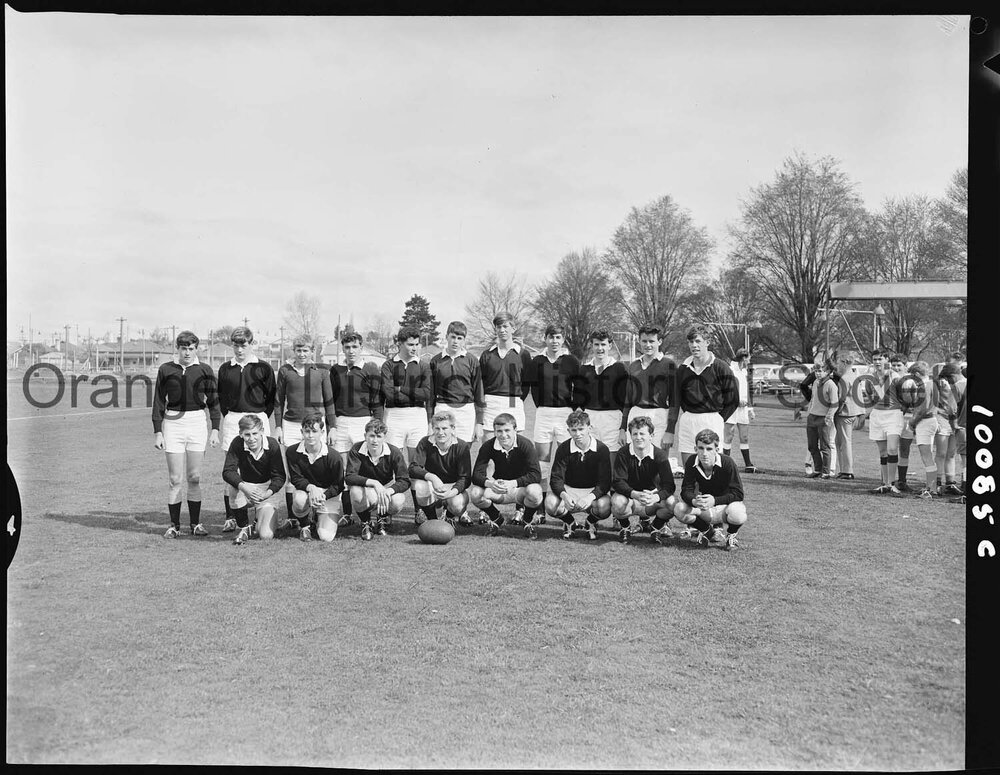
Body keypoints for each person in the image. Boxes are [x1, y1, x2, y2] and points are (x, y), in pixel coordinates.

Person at [152, 330, 221, 538]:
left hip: (197, 422)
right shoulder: (166, 369)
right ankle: (174, 526)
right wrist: (158, 431)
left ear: (196, 349)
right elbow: (158, 401)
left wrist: (215, 429)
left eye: (191, 349)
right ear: (178, 349)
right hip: (173, 423)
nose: (187, 353)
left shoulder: (205, 370)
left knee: (194, 477)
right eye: (184, 349)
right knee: (175, 479)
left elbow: (214, 402)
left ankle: (195, 524)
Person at [217, 326, 277, 532]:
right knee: (232, 469)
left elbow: (271, 398)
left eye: (243, 345)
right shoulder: (225, 369)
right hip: (233, 419)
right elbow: (221, 398)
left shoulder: (264, 368)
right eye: (236, 345)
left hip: (258, 417)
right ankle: (231, 517)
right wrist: (232, 415)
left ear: (251, 344)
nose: (239, 349)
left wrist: (258, 416)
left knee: (261, 466)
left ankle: (260, 511)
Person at [275, 336, 337, 524]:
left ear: (312, 351)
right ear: (293, 351)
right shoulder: (285, 370)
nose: (302, 354)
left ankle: (318, 513)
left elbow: (329, 402)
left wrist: (333, 427)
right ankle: (293, 517)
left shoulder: (322, 371)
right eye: (298, 350)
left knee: (318, 470)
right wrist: (278, 426)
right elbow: (279, 401)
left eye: (305, 350)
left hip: (316, 426)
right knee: (292, 473)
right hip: (292, 425)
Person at [330, 330, 382, 520]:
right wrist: (332, 426)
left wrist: (377, 426)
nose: (351, 351)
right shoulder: (335, 370)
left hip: (363, 422)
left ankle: (373, 513)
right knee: (343, 469)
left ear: (361, 347)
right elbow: (330, 401)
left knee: (366, 467)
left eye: (355, 347)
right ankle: (347, 514)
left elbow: (377, 401)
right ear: (343, 348)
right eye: (347, 347)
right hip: (341, 422)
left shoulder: (370, 370)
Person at [527, 324, 581, 505]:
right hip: (543, 413)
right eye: (551, 337)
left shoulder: (571, 361)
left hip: (565, 413)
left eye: (558, 337)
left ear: (563, 339)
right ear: (545, 338)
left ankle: (567, 501)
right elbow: (533, 388)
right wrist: (542, 406)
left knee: (568, 457)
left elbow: (579, 387)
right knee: (542, 460)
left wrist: (571, 408)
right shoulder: (537, 361)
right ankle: (540, 506)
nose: (554, 341)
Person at [672, 325, 739, 466]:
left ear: (707, 342)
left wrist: (719, 418)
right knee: (689, 467)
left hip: (712, 419)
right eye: (691, 342)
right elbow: (677, 398)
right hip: (688, 420)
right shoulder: (682, 369)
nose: (694, 345)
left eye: (698, 341)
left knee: (712, 468)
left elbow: (733, 399)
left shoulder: (721, 367)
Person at [672, 428, 748, 551]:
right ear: (695, 449)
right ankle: (707, 531)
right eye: (701, 448)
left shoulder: (727, 463)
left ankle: (731, 535)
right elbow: (686, 490)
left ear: (716, 450)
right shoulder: (691, 461)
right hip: (703, 509)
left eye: (709, 449)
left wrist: (715, 500)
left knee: (738, 513)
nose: (704, 453)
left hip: (724, 509)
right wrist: (694, 501)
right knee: (679, 509)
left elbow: (738, 494)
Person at [469, 413, 543, 536]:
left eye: (507, 430)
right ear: (494, 431)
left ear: (515, 429)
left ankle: (527, 520)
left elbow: (536, 474)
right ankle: (496, 518)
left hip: (520, 490)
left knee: (535, 491)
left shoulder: (525, 444)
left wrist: (513, 483)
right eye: (499, 431)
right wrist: (490, 483)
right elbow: (476, 474)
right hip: (499, 489)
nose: (503, 435)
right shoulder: (488, 446)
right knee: (476, 493)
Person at [544, 410, 613, 541]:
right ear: (568, 431)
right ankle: (570, 522)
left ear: (589, 428)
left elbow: (605, 482)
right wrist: (564, 495)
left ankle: (590, 522)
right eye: (574, 430)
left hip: (591, 491)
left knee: (605, 506)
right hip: (569, 489)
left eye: (581, 429)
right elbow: (556, 478)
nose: (578, 434)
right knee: (550, 504)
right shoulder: (564, 448)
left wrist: (590, 497)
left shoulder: (601, 449)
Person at [610, 416, 677, 544]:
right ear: (630, 435)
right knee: (617, 501)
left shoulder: (660, 455)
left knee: (672, 502)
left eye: (642, 434)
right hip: (630, 498)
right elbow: (618, 482)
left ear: (651, 436)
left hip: (651, 499)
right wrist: (634, 494)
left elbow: (669, 485)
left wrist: (656, 497)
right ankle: (625, 527)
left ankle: (655, 527)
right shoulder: (623, 453)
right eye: (635, 434)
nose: (638, 437)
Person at [222, 414, 287, 545]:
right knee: (233, 488)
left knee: (266, 535)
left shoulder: (272, 444)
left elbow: (279, 476)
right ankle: (244, 527)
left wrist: (266, 494)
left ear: (262, 431)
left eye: (255, 433)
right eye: (247, 435)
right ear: (241, 434)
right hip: (246, 488)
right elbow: (228, 471)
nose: (251, 438)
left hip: (266, 490)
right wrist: (245, 488)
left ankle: (263, 518)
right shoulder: (237, 443)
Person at [344, 419, 410, 540]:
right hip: (366, 489)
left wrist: (389, 491)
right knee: (355, 491)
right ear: (365, 436)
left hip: (386, 488)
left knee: (398, 499)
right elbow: (349, 476)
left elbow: (405, 480)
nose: (375, 440)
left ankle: (382, 518)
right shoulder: (356, 449)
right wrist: (374, 483)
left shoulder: (394, 452)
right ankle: (366, 523)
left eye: (379, 436)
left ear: (384, 437)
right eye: (371, 436)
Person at [286, 411, 345, 542]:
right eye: (307, 431)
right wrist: (311, 488)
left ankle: (316, 517)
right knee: (299, 500)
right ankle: (305, 526)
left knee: (326, 537)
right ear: (301, 432)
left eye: (314, 431)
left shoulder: (334, 456)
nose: (310, 435)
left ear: (322, 432)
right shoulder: (292, 452)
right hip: (306, 491)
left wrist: (323, 496)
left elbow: (339, 485)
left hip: (327, 495)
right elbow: (296, 478)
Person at [573, 329, 629, 468]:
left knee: (611, 461)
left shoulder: (619, 368)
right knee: (591, 460)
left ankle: (611, 483)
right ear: (591, 345)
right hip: (590, 418)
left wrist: (623, 426)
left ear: (610, 345)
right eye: (596, 344)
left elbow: (625, 399)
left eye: (603, 344)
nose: (600, 348)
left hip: (612, 418)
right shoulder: (584, 369)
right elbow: (578, 398)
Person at [619, 323, 677, 456]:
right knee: (634, 459)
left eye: (652, 341)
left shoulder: (669, 365)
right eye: (644, 341)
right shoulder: (633, 366)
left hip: (658, 415)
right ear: (639, 341)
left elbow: (675, 399)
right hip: (635, 414)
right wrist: (622, 428)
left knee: (658, 459)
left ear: (659, 341)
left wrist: (670, 430)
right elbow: (628, 399)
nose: (648, 345)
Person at [409, 409, 473, 526]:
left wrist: (451, 493)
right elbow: (413, 468)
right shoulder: (425, 442)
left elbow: (465, 478)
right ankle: (433, 520)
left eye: (444, 428)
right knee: (419, 486)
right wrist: (433, 477)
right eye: (437, 428)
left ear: (453, 429)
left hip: (452, 486)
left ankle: (449, 516)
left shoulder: (462, 446)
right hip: (433, 486)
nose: (440, 432)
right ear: (432, 428)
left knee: (458, 505)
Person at [428, 321, 486, 445]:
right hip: (442, 408)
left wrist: (479, 423)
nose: (455, 341)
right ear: (446, 337)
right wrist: (429, 421)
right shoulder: (436, 361)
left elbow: (479, 391)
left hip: (466, 411)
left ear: (464, 340)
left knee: (464, 449)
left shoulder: (472, 360)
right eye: (453, 337)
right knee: (442, 449)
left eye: (460, 338)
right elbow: (430, 394)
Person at [479, 312, 533, 439]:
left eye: (505, 326)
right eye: (499, 327)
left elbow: (526, 383)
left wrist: (515, 397)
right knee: (488, 444)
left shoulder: (523, 354)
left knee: (515, 444)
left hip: (513, 400)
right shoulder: (487, 355)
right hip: (491, 401)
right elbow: (481, 382)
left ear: (513, 328)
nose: (502, 330)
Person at [863, 351, 905, 495]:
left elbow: (904, 397)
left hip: (893, 415)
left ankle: (892, 483)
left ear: (886, 360)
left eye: (880, 359)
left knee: (892, 449)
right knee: (882, 452)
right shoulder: (870, 378)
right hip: (877, 415)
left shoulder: (895, 377)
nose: (877, 362)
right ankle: (885, 484)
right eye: (874, 359)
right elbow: (869, 397)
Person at [903, 361, 942, 499]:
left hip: (925, 422)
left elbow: (922, 410)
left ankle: (931, 489)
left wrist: (912, 423)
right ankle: (931, 487)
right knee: (929, 456)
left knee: (927, 457)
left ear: (917, 374)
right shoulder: (932, 384)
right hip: (932, 420)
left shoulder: (924, 386)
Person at [723, 347, 762, 473]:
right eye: (748, 359)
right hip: (731, 408)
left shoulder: (744, 372)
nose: (749, 361)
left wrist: (750, 409)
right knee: (728, 437)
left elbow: (747, 392)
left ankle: (748, 465)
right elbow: (726, 390)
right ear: (743, 358)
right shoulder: (730, 370)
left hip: (743, 410)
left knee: (744, 437)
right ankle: (725, 465)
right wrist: (736, 400)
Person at [805, 357, 838, 479]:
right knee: (812, 445)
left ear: (827, 371)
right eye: (816, 371)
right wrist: (809, 414)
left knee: (825, 446)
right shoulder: (815, 383)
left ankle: (826, 471)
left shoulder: (831, 385)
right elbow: (813, 400)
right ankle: (817, 469)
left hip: (823, 419)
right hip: (812, 417)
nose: (818, 373)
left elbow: (834, 404)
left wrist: (828, 417)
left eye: (820, 371)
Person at [832, 353, 862, 480]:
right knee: (842, 441)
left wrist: (835, 411)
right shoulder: (854, 376)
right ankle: (844, 469)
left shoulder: (844, 378)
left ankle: (847, 471)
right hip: (853, 412)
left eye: (838, 362)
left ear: (844, 363)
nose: (837, 365)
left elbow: (841, 398)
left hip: (845, 413)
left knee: (844, 442)